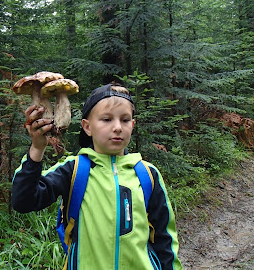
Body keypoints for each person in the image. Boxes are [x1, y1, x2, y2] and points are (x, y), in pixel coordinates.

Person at [11, 83, 183, 270]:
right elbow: (23, 201)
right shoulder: (74, 170)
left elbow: (164, 237)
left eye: (125, 120)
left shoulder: (147, 174)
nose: (117, 127)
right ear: (87, 127)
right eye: (106, 119)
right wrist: (37, 148)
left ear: (132, 125)